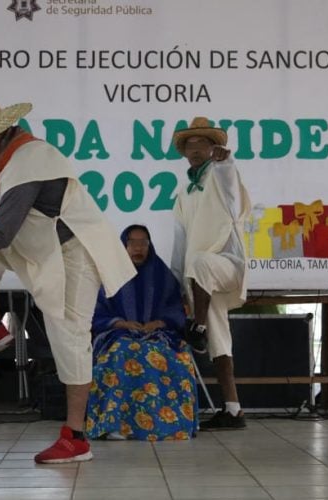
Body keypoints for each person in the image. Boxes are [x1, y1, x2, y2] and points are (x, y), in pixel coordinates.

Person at [0, 94, 136, 463]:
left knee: (69, 336)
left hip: (76, 254)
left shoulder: (28, 160)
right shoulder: (15, 161)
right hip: (52, 249)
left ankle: (75, 436)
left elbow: (2, 234)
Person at [170, 117, 251, 430]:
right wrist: (178, 284)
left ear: (213, 147)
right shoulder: (182, 193)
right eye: (190, 145)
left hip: (227, 263)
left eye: (201, 143)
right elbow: (180, 244)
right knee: (221, 342)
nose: (195, 149)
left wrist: (226, 160)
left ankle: (198, 327)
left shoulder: (220, 174)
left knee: (201, 260)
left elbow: (230, 180)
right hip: (200, 279)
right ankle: (233, 409)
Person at [86, 225, 199, 441]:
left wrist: (159, 322)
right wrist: (120, 323)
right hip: (116, 335)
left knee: (171, 356)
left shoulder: (161, 274)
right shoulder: (110, 274)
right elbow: (94, 311)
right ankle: (114, 425)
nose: (138, 248)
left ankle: (171, 425)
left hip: (159, 334)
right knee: (122, 353)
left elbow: (175, 309)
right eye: (132, 243)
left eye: (143, 243)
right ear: (123, 246)